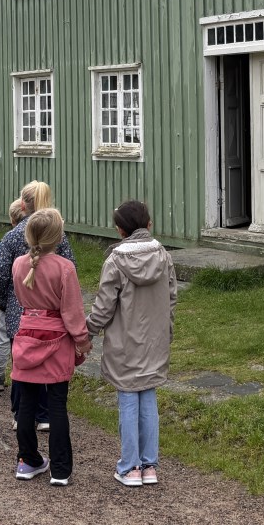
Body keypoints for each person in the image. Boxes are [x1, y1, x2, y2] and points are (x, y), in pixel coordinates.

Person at [87, 200, 177, 488]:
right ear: (149, 224)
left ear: (120, 230)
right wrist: (167, 331)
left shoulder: (115, 262)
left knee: (128, 399)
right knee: (148, 397)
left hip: (124, 343)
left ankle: (130, 466)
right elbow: (171, 298)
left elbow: (104, 307)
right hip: (155, 340)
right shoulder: (164, 257)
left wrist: (87, 332)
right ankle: (149, 465)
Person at [11, 208, 89, 486]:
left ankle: (27, 460)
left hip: (26, 335)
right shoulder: (64, 268)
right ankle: (60, 469)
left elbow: (20, 299)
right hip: (56, 339)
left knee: (27, 402)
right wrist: (82, 340)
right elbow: (72, 310)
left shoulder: (19, 264)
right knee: (57, 403)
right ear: (58, 236)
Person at [0, 180, 74, 429]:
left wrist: (3, 302)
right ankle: (44, 415)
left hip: (20, 312)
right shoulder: (58, 236)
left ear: (23, 205)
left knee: (22, 364)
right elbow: (71, 269)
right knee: (49, 363)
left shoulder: (11, 237)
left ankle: (21, 414)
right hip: (52, 315)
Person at [0, 198, 27, 393]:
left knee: (3, 338)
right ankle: (24, 377)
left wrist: (1, 300)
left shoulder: (10, 238)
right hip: (36, 300)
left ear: (12, 220)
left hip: (11, 299)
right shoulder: (42, 236)